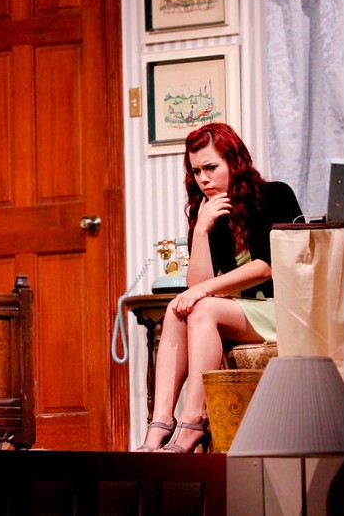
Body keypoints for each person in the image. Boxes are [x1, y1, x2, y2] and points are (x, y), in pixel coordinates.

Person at [136, 122, 302, 453]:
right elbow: (198, 285)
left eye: (211, 167)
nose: (203, 179)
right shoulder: (209, 211)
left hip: (285, 309)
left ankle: (193, 420)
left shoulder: (275, 195)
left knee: (202, 308)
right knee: (177, 309)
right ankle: (159, 424)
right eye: (196, 171)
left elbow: (267, 266)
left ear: (234, 162)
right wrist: (201, 229)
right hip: (250, 312)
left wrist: (200, 292)